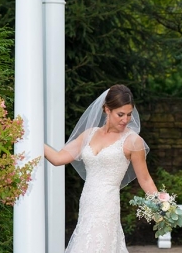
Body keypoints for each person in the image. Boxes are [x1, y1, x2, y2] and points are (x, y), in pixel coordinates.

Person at [45, 84, 160, 253]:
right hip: (87, 202)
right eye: (120, 114)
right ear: (107, 109)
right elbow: (57, 158)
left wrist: (162, 206)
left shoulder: (133, 141)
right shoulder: (90, 134)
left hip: (107, 204)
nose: (126, 119)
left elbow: (145, 179)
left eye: (129, 114)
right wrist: (31, 139)